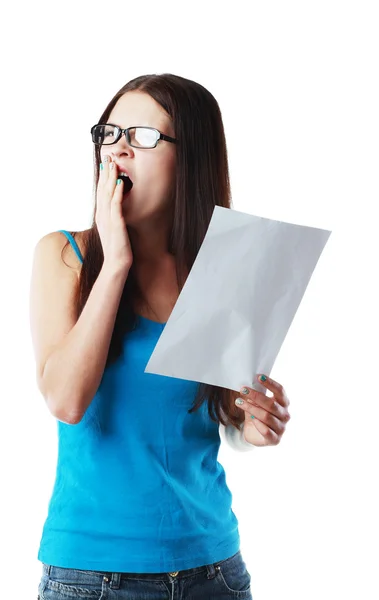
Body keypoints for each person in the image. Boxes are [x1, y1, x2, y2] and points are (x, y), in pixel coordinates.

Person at [30, 73, 291, 599]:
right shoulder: (65, 257)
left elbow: (221, 414)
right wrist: (116, 262)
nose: (120, 148)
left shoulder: (224, 271)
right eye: (111, 132)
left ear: (190, 159)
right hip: (93, 576)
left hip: (214, 569)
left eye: (144, 137)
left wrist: (255, 425)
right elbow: (65, 399)